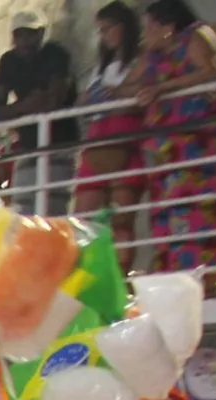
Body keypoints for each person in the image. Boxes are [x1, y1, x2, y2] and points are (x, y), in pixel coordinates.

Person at [139, 0, 216, 275]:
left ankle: (209, 274)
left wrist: (164, 87)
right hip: (168, 152)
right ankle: (176, 273)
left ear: (167, 27)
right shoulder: (153, 56)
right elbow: (130, 85)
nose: (143, 34)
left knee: (201, 210)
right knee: (169, 216)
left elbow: (213, 72)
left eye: (149, 28)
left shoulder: (195, 36)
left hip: (198, 146)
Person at [0, 11, 79, 212]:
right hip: (28, 145)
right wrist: (25, 106)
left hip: (61, 144)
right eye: (18, 35)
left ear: (41, 33)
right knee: (25, 212)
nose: (24, 41)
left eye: (29, 34)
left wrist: (18, 109)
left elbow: (54, 100)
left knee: (55, 211)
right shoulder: (8, 61)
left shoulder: (56, 54)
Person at [76, 5, 146, 242]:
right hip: (97, 137)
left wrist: (115, 94)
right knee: (81, 218)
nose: (103, 35)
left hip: (125, 134)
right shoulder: (101, 65)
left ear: (123, 26)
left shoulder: (141, 58)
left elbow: (137, 97)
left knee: (122, 220)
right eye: (100, 30)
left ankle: (122, 275)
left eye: (107, 29)